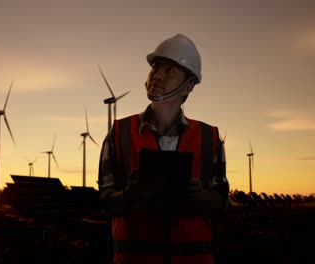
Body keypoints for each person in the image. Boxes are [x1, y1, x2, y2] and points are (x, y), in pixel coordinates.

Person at [98, 33, 229, 264]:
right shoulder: (119, 133)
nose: (157, 74)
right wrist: (130, 195)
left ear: (188, 86)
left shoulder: (210, 138)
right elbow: (105, 201)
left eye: (170, 70)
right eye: (155, 67)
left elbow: (221, 203)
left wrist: (201, 197)